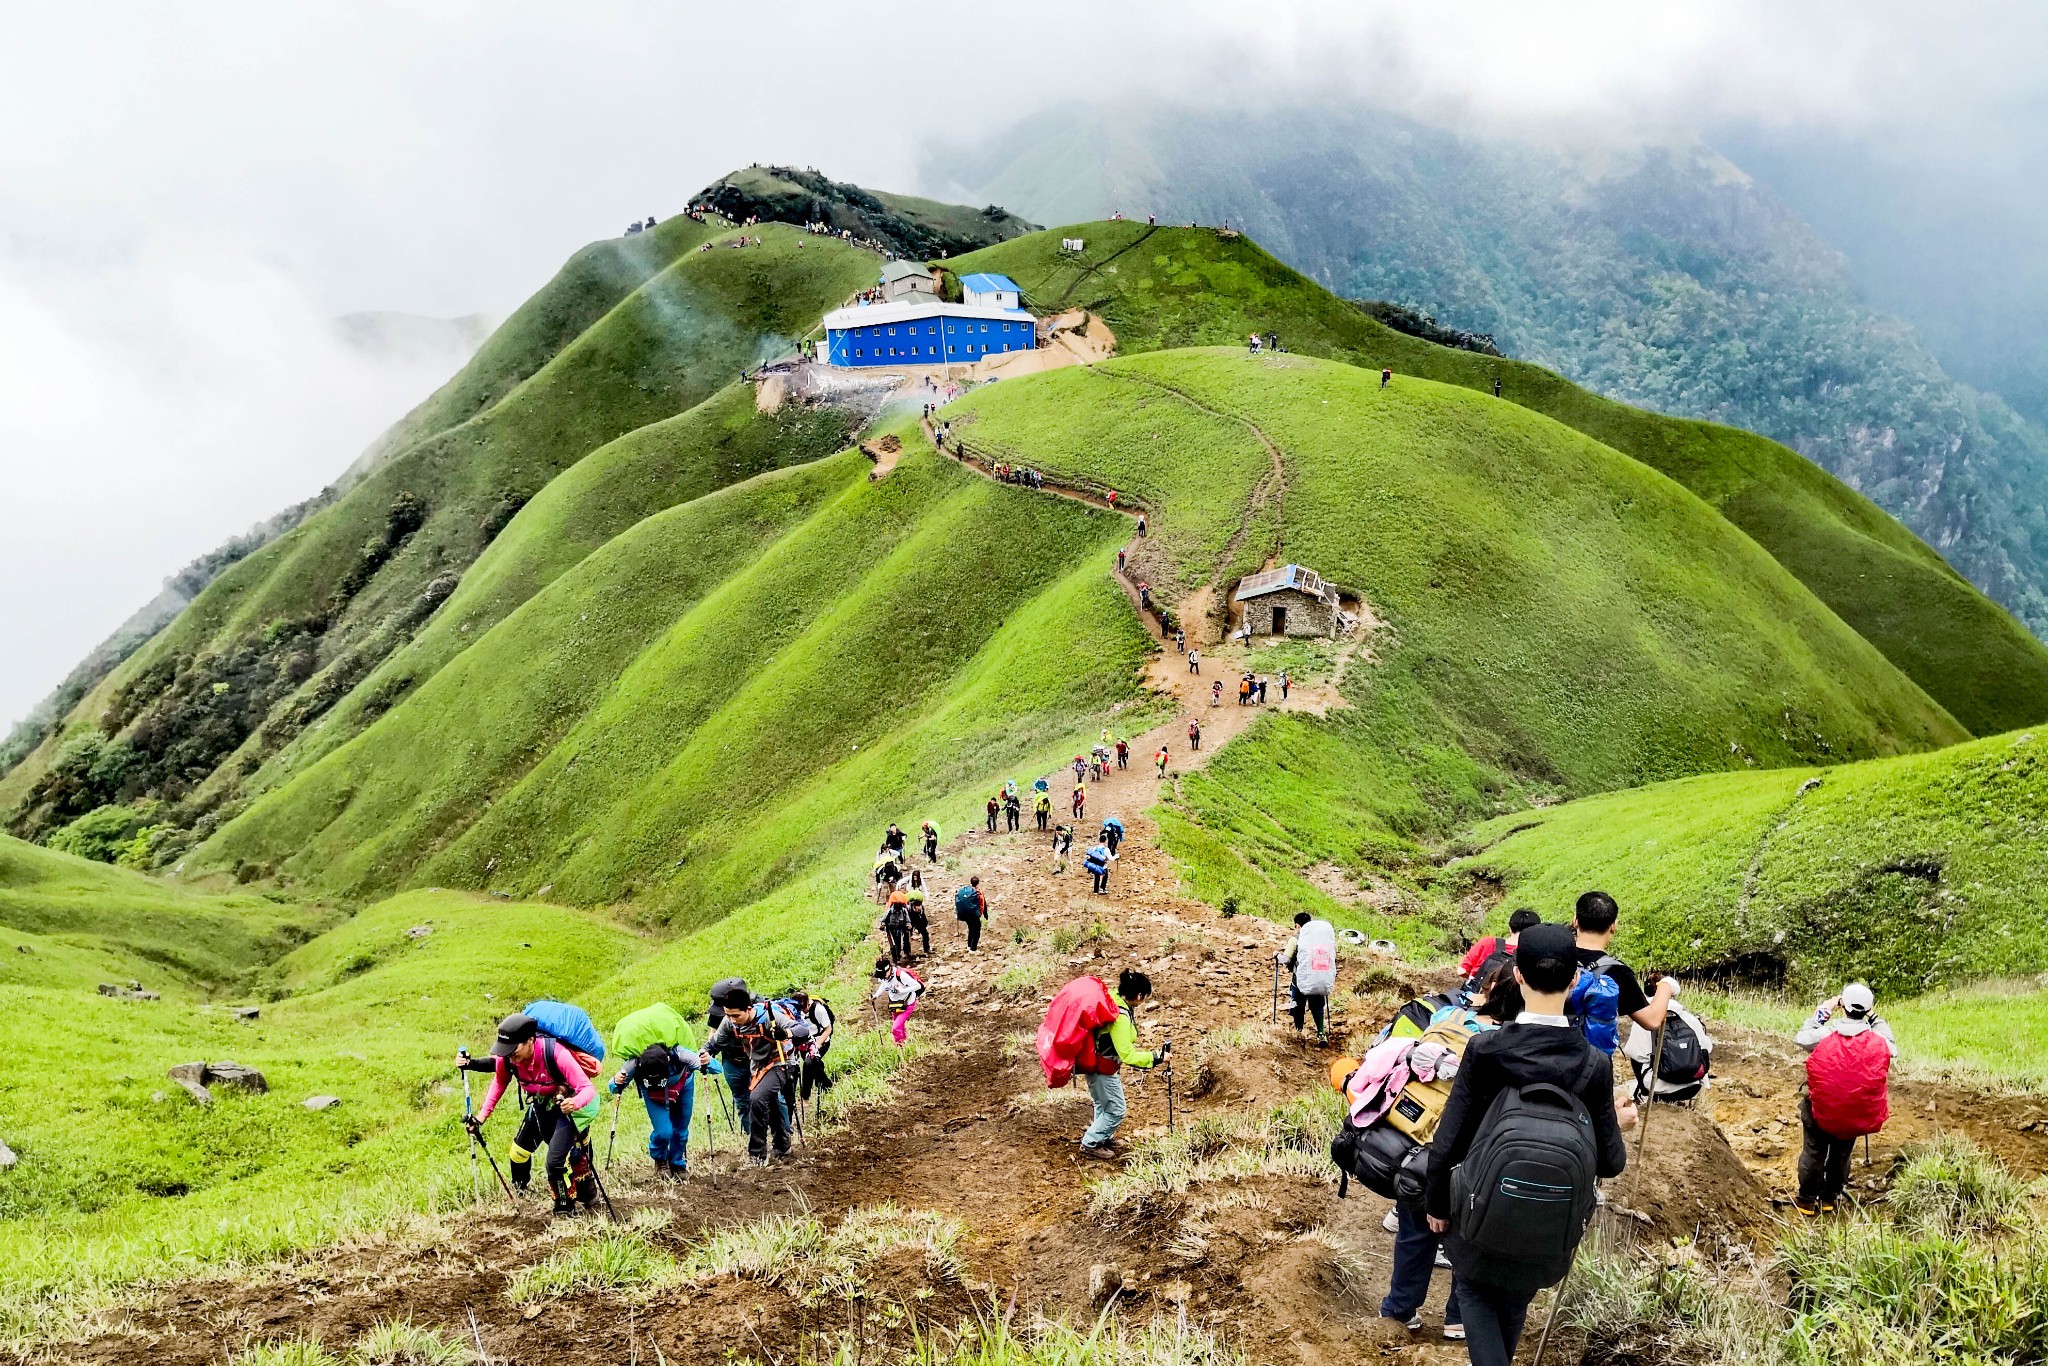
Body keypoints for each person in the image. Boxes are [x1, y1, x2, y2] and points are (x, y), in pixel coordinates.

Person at [1425, 924, 1628, 1366]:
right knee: (1515, 1299)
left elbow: (1449, 1140)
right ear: (1575, 979)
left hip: (1477, 1216)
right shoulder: (1592, 1064)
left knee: (1475, 1291)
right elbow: (1611, 1162)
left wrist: (1437, 1204)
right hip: (1548, 1227)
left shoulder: (1485, 1050)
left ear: (1516, 975)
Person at [460, 1012, 603, 1214]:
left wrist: (574, 1102)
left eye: (513, 1049)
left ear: (530, 1041)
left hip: (565, 1108)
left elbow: (587, 1088)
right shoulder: (508, 1059)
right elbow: (499, 1083)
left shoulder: (556, 1053)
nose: (510, 1055)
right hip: (540, 1107)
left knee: (554, 1163)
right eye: (506, 1051)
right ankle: (586, 1192)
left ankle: (564, 1208)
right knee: (555, 1152)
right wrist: (482, 1116)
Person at [1571, 891, 1677, 1129]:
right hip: (1592, 1065)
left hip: (1547, 1052)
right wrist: (1666, 988)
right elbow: (1651, 1020)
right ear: (1613, 926)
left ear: (1575, 921)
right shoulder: (1617, 972)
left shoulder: (1556, 956)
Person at [1793, 983, 1895, 1215]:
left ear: (1844, 1006)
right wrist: (1873, 1016)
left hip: (1819, 1109)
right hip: (1855, 1111)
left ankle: (1807, 1201)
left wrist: (1825, 1009)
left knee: (1813, 1151)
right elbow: (1892, 1045)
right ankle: (1829, 1199)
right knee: (1841, 1154)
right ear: (1868, 1009)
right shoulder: (1878, 1040)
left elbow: (1801, 1037)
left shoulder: (1825, 1035)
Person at [1079, 969, 1168, 1158]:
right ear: (1139, 995)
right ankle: (1090, 1143)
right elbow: (1127, 1054)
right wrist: (1156, 1057)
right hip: (1103, 1068)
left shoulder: (1113, 999)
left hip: (1095, 1064)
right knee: (1117, 1110)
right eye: (1144, 997)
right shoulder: (1119, 1016)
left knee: (1103, 1105)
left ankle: (1103, 1136)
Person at [607, 1003, 702, 1180]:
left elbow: (706, 1066)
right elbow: (613, 1087)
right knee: (664, 1131)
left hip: (683, 1083)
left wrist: (707, 1063)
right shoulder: (636, 1062)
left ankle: (678, 1163)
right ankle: (660, 1160)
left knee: (681, 1129)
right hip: (654, 1094)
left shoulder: (678, 1054)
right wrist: (616, 1081)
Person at [698, 986, 792, 1165]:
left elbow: (800, 1030)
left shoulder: (768, 1016)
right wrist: (705, 1052)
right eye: (728, 1015)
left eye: (735, 1016)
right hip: (758, 1065)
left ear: (748, 1009)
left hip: (782, 1060)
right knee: (769, 1100)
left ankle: (757, 1155)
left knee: (757, 1098)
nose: (732, 1020)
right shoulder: (729, 1023)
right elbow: (715, 1044)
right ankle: (783, 1145)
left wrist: (785, 1033)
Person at [1278, 912, 1334, 1043]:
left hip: (1300, 980)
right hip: (1319, 977)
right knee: (1317, 1006)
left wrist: (1276, 955)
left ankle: (1299, 1032)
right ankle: (1321, 1033)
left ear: (1297, 926)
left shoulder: (1295, 939)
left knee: (1298, 1005)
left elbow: (1286, 959)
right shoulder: (1320, 939)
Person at [1458, 909, 1541, 996]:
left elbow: (1461, 971)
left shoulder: (1487, 942)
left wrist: (1478, 979)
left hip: (1477, 1001)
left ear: (1510, 928)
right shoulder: (1532, 953)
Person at [791, 990, 836, 1105]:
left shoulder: (819, 1010)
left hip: (821, 1041)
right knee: (815, 1066)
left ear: (808, 1004)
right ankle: (827, 1085)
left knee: (808, 1063)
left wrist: (817, 1045)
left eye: (802, 1009)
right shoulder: (795, 1010)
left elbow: (828, 1029)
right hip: (804, 1042)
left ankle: (805, 1095)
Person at [872, 958, 924, 1045]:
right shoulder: (883, 977)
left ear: (889, 969)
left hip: (907, 1003)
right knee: (900, 1026)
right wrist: (876, 995)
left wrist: (901, 991)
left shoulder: (901, 975)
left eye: (884, 975)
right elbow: (883, 985)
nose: (883, 978)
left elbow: (917, 986)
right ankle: (904, 1043)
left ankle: (899, 1047)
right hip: (895, 1004)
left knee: (895, 1028)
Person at [954, 875, 989, 951]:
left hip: (965, 914)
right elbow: (983, 904)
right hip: (974, 914)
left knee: (971, 929)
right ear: (978, 883)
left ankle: (969, 945)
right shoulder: (978, 892)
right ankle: (973, 948)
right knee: (977, 930)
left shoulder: (966, 891)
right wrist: (985, 915)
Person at [879, 889, 914, 964]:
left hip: (899, 928)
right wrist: (882, 924)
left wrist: (908, 924)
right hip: (891, 929)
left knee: (898, 943)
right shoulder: (890, 910)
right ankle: (894, 958)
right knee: (892, 945)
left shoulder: (903, 910)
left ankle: (898, 956)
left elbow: (907, 919)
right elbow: (884, 918)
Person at [905, 870, 931, 954]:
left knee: (925, 934)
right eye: (918, 908)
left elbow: (924, 919)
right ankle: (907, 951)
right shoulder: (908, 910)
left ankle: (926, 949)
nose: (919, 909)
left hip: (918, 921)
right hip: (911, 920)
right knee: (906, 935)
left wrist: (924, 924)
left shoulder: (921, 910)